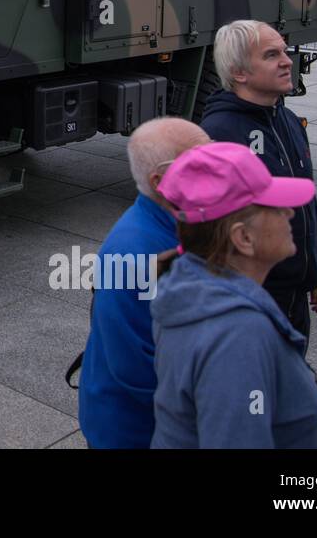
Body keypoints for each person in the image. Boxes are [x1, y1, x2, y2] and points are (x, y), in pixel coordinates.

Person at [151, 142, 317, 448]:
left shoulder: (188, 287)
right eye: (273, 206)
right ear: (243, 237)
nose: (288, 211)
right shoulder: (238, 335)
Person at [77, 117, 209, 449]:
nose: (217, 167)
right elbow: (136, 368)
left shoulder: (185, 222)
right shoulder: (133, 252)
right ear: (162, 181)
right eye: (202, 161)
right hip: (134, 434)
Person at [200, 20, 317, 338]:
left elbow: (307, 203)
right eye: (272, 55)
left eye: (284, 51)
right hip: (253, 300)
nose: (287, 61)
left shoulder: (288, 120)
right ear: (239, 72)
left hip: (295, 296)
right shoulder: (219, 134)